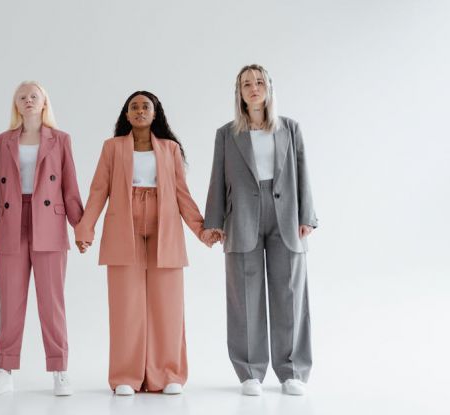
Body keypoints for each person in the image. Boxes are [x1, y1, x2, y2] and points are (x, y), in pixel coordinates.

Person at [75, 91, 215, 395]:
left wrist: (202, 230)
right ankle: (126, 376)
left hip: (164, 227)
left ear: (155, 114)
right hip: (123, 226)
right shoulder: (112, 148)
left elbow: (182, 194)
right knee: (126, 305)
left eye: (145, 106)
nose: (139, 110)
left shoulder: (170, 149)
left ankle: (168, 375)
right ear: (126, 115)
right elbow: (99, 189)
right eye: (134, 107)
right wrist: (85, 228)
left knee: (168, 305)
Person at [204, 64, 318, 396]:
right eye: (246, 84)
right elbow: (217, 178)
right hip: (241, 217)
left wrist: (307, 215)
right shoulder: (227, 134)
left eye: (258, 82)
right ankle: (250, 371)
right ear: (239, 93)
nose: (253, 88)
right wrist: (214, 223)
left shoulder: (290, 128)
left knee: (290, 293)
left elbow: (303, 172)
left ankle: (292, 370)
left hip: (287, 216)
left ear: (268, 88)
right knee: (245, 295)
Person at [0, 81, 83, 396]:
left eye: (33, 96)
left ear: (44, 102)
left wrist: (81, 228)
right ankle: (4, 370)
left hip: (49, 223)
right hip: (11, 220)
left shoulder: (61, 140)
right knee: (10, 302)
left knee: (52, 303)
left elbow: (70, 185)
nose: (28, 100)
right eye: (22, 97)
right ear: (16, 104)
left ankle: (60, 370)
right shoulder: (3, 140)